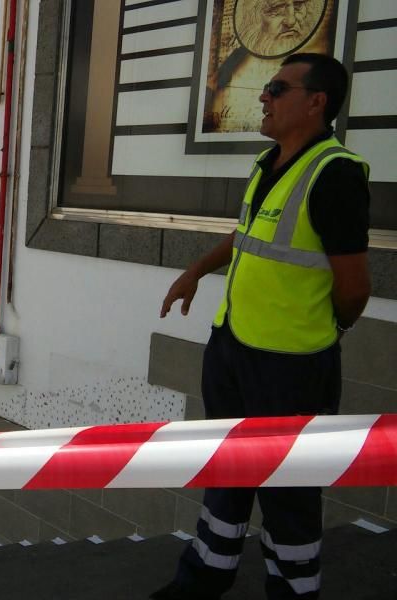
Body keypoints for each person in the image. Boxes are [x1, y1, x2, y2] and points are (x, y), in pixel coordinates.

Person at [153, 53, 371, 599]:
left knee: (288, 495)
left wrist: (328, 331)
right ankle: (201, 580)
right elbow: (247, 235)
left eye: (276, 88)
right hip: (232, 351)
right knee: (225, 473)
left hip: (291, 369)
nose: (263, 97)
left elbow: (354, 288)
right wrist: (199, 269)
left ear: (316, 102)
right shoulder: (270, 163)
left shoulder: (335, 174)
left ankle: (294, 591)